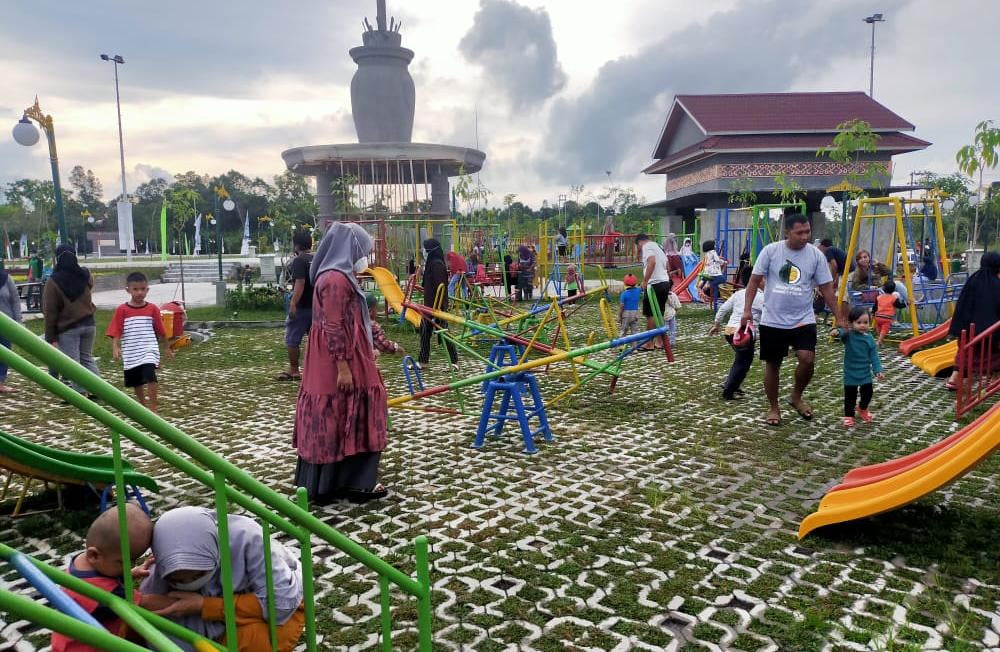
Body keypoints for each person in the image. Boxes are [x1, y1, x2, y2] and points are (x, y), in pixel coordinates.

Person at [293, 222, 390, 504]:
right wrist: (344, 367)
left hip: (342, 355)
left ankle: (337, 483)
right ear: (351, 248)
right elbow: (333, 326)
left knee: (341, 414)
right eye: (364, 251)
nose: (367, 259)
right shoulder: (334, 279)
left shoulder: (336, 276)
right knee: (340, 413)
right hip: (338, 359)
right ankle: (352, 484)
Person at [142, 506, 304, 652]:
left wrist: (206, 605)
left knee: (254, 639)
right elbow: (154, 605)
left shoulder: (247, 540)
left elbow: (280, 604)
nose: (189, 583)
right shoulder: (164, 558)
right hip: (220, 613)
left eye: (199, 575)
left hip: (277, 607)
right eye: (178, 581)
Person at [741, 212, 843, 426]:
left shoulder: (815, 256)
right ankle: (774, 407)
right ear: (787, 232)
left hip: (803, 318)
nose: (805, 236)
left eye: (807, 232)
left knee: (807, 359)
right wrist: (747, 310)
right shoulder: (771, 251)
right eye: (799, 232)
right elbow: (753, 282)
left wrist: (839, 317)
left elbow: (826, 288)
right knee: (773, 364)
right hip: (772, 319)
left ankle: (796, 396)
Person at [52, 504, 170, 652]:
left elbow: (100, 579)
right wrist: (186, 602)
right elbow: (145, 603)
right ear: (93, 555)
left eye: (133, 561)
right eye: (123, 562)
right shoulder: (109, 593)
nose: (129, 567)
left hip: (64, 641)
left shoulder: (80, 562)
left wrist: (131, 573)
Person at [106, 272, 173, 413]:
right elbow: (116, 330)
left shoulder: (152, 309)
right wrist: (115, 347)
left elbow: (161, 330)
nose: (139, 292)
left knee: (150, 374)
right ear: (128, 290)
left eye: (143, 289)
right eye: (135, 289)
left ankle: (154, 408)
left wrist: (167, 347)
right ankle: (143, 406)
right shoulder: (122, 310)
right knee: (136, 381)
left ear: (147, 289)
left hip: (149, 349)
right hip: (131, 351)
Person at [43, 244, 99, 394]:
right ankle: (97, 390)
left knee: (72, 364)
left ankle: (80, 393)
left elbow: (50, 312)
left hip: (68, 328)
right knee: (87, 359)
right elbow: (90, 287)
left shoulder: (53, 281)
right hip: (89, 323)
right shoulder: (85, 274)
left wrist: (51, 337)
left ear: (57, 259)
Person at [944, 251, 1000, 390]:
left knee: (965, 353)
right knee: (996, 356)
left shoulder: (973, 280)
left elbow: (962, 306)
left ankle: (954, 379)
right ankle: (994, 380)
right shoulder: (997, 284)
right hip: (991, 334)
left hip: (970, 331)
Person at [709, 270, 765, 400]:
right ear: (756, 280)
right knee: (744, 362)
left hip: (729, 331)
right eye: (763, 279)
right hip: (743, 333)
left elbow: (723, 309)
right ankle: (729, 390)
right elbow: (771, 314)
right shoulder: (760, 297)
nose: (765, 282)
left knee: (740, 359)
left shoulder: (738, 294)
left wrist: (717, 324)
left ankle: (733, 384)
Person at [832, 306, 884, 427]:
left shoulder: (869, 339)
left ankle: (862, 408)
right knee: (850, 395)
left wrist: (878, 370)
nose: (862, 325)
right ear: (851, 323)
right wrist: (837, 331)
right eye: (859, 322)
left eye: (865, 322)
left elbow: (874, 356)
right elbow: (843, 333)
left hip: (865, 373)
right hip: (850, 373)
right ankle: (849, 415)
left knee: (868, 393)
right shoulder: (849, 336)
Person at [276, 231, 313, 382]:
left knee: (292, 339)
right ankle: (316, 369)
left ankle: (294, 369)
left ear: (296, 245)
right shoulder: (317, 259)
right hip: (317, 305)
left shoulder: (299, 261)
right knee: (316, 339)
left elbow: (300, 282)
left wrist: (293, 303)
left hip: (302, 306)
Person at [418, 238, 459, 369]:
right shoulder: (431, 263)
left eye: (426, 249)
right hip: (429, 306)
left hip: (437, 307)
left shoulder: (437, 264)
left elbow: (441, 287)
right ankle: (423, 361)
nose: (424, 251)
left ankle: (454, 361)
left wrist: (439, 308)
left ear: (431, 250)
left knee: (444, 333)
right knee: (424, 333)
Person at [636, 233, 671, 350]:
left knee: (650, 314)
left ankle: (649, 343)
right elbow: (667, 264)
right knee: (659, 312)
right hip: (665, 282)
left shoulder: (646, 246)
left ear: (640, 242)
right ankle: (660, 341)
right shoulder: (658, 246)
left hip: (654, 284)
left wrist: (645, 281)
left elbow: (652, 261)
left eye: (638, 247)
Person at [0, 265, 23, 393]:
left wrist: (18, 322)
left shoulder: (6, 279)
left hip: (6, 326)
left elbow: (15, 301)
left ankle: (0, 382)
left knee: (5, 354)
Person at [366, 292, 405, 358]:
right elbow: (382, 344)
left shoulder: (351, 323)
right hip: (366, 359)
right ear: (370, 311)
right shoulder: (372, 325)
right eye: (376, 309)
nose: (377, 311)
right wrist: (396, 347)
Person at [873, 280, 905, 346]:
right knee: (884, 330)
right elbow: (899, 306)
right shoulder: (893, 298)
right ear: (893, 290)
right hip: (887, 318)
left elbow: (875, 307)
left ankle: (880, 340)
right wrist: (906, 304)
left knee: (879, 328)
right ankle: (879, 341)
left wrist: (873, 313)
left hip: (878, 316)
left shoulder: (879, 297)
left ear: (883, 288)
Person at [699, 240, 727, 309]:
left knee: (711, 283)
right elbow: (717, 260)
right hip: (714, 273)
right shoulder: (713, 252)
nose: (715, 246)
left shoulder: (707, 254)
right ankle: (715, 298)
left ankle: (700, 287)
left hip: (707, 272)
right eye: (714, 245)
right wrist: (723, 262)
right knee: (721, 280)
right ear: (711, 246)